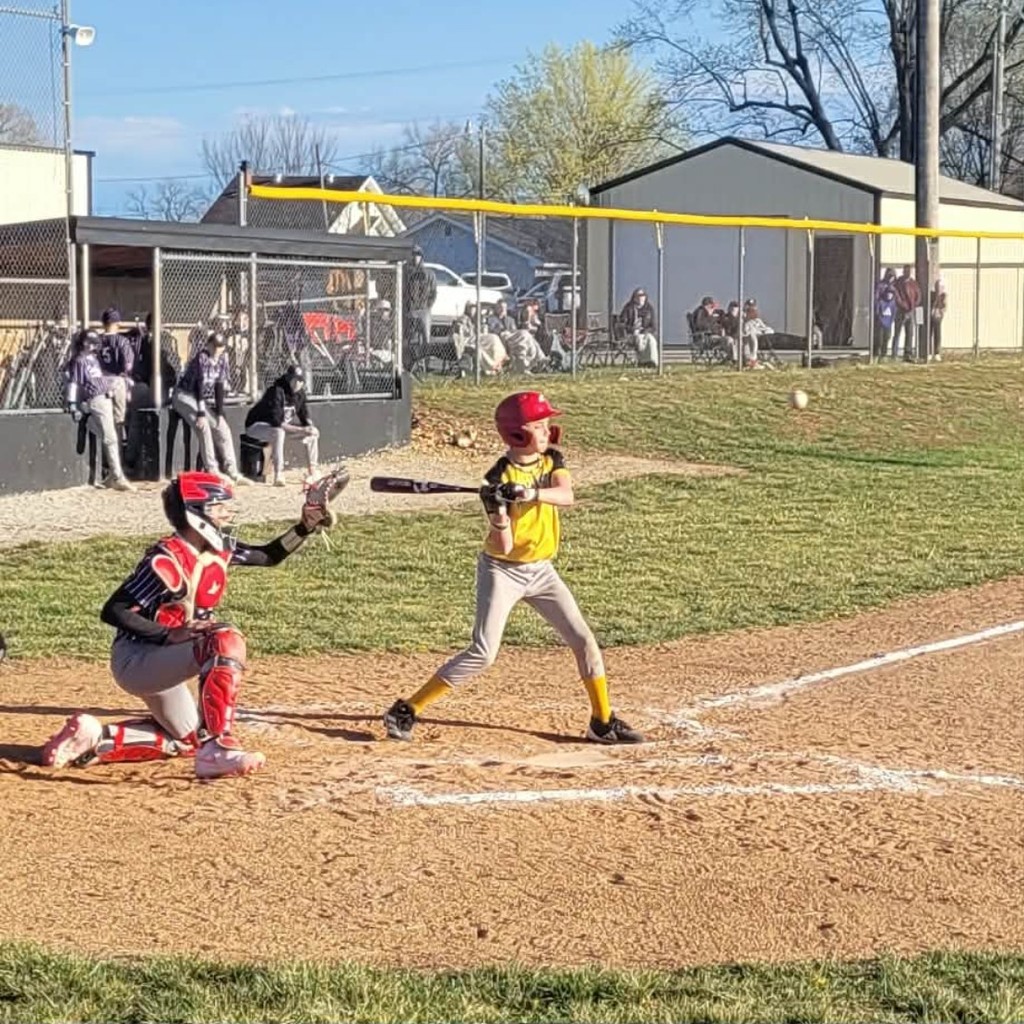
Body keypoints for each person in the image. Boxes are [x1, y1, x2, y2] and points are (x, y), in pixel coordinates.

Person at [382, 391, 644, 746]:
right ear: (519, 434)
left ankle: (602, 721)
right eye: (540, 426)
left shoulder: (552, 459)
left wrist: (531, 494)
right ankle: (407, 709)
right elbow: (503, 546)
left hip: (542, 571)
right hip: (502, 571)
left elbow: (566, 496)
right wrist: (497, 511)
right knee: (484, 653)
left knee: (583, 640)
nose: (548, 431)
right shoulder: (497, 476)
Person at [40, 471, 337, 779]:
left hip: (164, 662)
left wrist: (305, 526)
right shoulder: (166, 556)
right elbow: (114, 610)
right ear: (197, 511)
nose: (226, 512)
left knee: (187, 739)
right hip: (137, 659)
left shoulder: (217, 547)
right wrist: (168, 634)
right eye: (218, 506)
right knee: (225, 639)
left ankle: (94, 739)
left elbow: (267, 555)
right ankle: (219, 746)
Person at [172, 330, 248, 485]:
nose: (217, 350)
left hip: (201, 401)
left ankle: (233, 471)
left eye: (220, 347)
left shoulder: (222, 360)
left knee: (223, 428)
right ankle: (212, 470)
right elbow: (198, 386)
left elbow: (219, 387)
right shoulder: (201, 358)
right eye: (214, 346)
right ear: (208, 345)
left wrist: (219, 414)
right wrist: (200, 413)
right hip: (184, 396)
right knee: (204, 426)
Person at [64, 329, 135, 492]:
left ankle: (114, 422)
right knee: (110, 438)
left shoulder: (93, 359)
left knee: (119, 382)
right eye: (91, 342)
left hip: (105, 396)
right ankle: (117, 477)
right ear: (84, 343)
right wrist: (72, 403)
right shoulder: (79, 360)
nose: (94, 346)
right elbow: (74, 383)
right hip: (94, 398)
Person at [244, 364, 320, 486]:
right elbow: (277, 422)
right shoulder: (276, 391)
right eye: (294, 380)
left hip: (279, 429)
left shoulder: (300, 395)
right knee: (279, 432)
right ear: (288, 378)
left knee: (313, 433)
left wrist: (310, 427)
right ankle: (279, 473)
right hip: (256, 426)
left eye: (300, 380)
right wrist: (301, 430)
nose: (297, 384)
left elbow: (305, 417)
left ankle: (313, 471)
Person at [97, 307, 134, 437]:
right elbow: (128, 365)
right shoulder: (122, 341)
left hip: (99, 382)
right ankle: (121, 425)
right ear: (117, 324)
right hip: (117, 382)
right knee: (129, 389)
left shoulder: (96, 340)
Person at [402, 246, 437, 371]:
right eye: (413, 254)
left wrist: (428, 307)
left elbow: (433, 292)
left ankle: (427, 365)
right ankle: (408, 364)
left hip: (423, 311)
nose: (415, 257)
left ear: (421, 257)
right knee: (407, 338)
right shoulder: (405, 272)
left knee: (426, 338)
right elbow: (402, 291)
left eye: (417, 254)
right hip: (409, 310)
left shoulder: (429, 274)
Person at [451, 301, 507, 375]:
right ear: (467, 308)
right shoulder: (464, 318)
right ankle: (491, 367)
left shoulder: (477, 319)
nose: (472, 310)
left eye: (474, 308)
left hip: (481, 339)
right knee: (490, 341)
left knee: (493, 342)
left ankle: (496, 364)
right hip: (470, 340)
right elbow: (462, 331)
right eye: (470, 308)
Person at [489, 298, 543, 373]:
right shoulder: (491, 319)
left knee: (527, 337)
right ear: (496, 309)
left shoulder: (510, 319)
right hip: (502, 337)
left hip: (513, 336)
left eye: (504, 308)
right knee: (524, 335)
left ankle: (540, 358)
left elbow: (514, 330)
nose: (502, 310)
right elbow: (493, 330)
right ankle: (528, 362)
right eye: (500, 308)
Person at [619, 287, 659, 367]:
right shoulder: (628, 308)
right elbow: (622, 323)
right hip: (631, 334)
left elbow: (653, 326)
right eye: (638, 295)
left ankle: (652, 361)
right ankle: (642, 362)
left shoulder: (649, 309)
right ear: (634, 297)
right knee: (639, 339)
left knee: (651, 340)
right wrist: (631, 329)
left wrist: (645, 331)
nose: (640, 297)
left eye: (642, 295)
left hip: (645, 332)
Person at [893, 264, 921, 361]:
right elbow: (896, 295)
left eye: (909, 271)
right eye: (906, 271)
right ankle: (894, 354)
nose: (907, 273)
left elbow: (918, 295)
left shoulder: (913, 283)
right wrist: (902, 304)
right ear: (903, 271)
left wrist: (913, 306)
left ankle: (907, 354)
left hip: (911, 311)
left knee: (909, 333)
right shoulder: (898, 282)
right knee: (897, 333)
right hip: (900, 311)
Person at [874, 269, 898, 359]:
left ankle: (883, 354)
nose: (891, 278)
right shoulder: (880, 286)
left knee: (887, 336)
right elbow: (876, 299)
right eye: (890, 276)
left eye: (893, 277)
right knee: (879, 337)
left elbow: (895, 302)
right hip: (881, 315)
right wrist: (877, 311)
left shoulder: (893, 287)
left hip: (888, 318)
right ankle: (877, 353)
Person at [930, 278, 947, 362]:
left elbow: (944, 307)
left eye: (939, 287)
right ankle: (929, 352)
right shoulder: (931, 295)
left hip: (938, 316)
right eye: (937, 286)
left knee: (937, 335)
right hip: (930, 316)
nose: (938, 288)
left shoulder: (943, 296)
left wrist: (941, 313)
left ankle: (937, 353)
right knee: (929, 334)